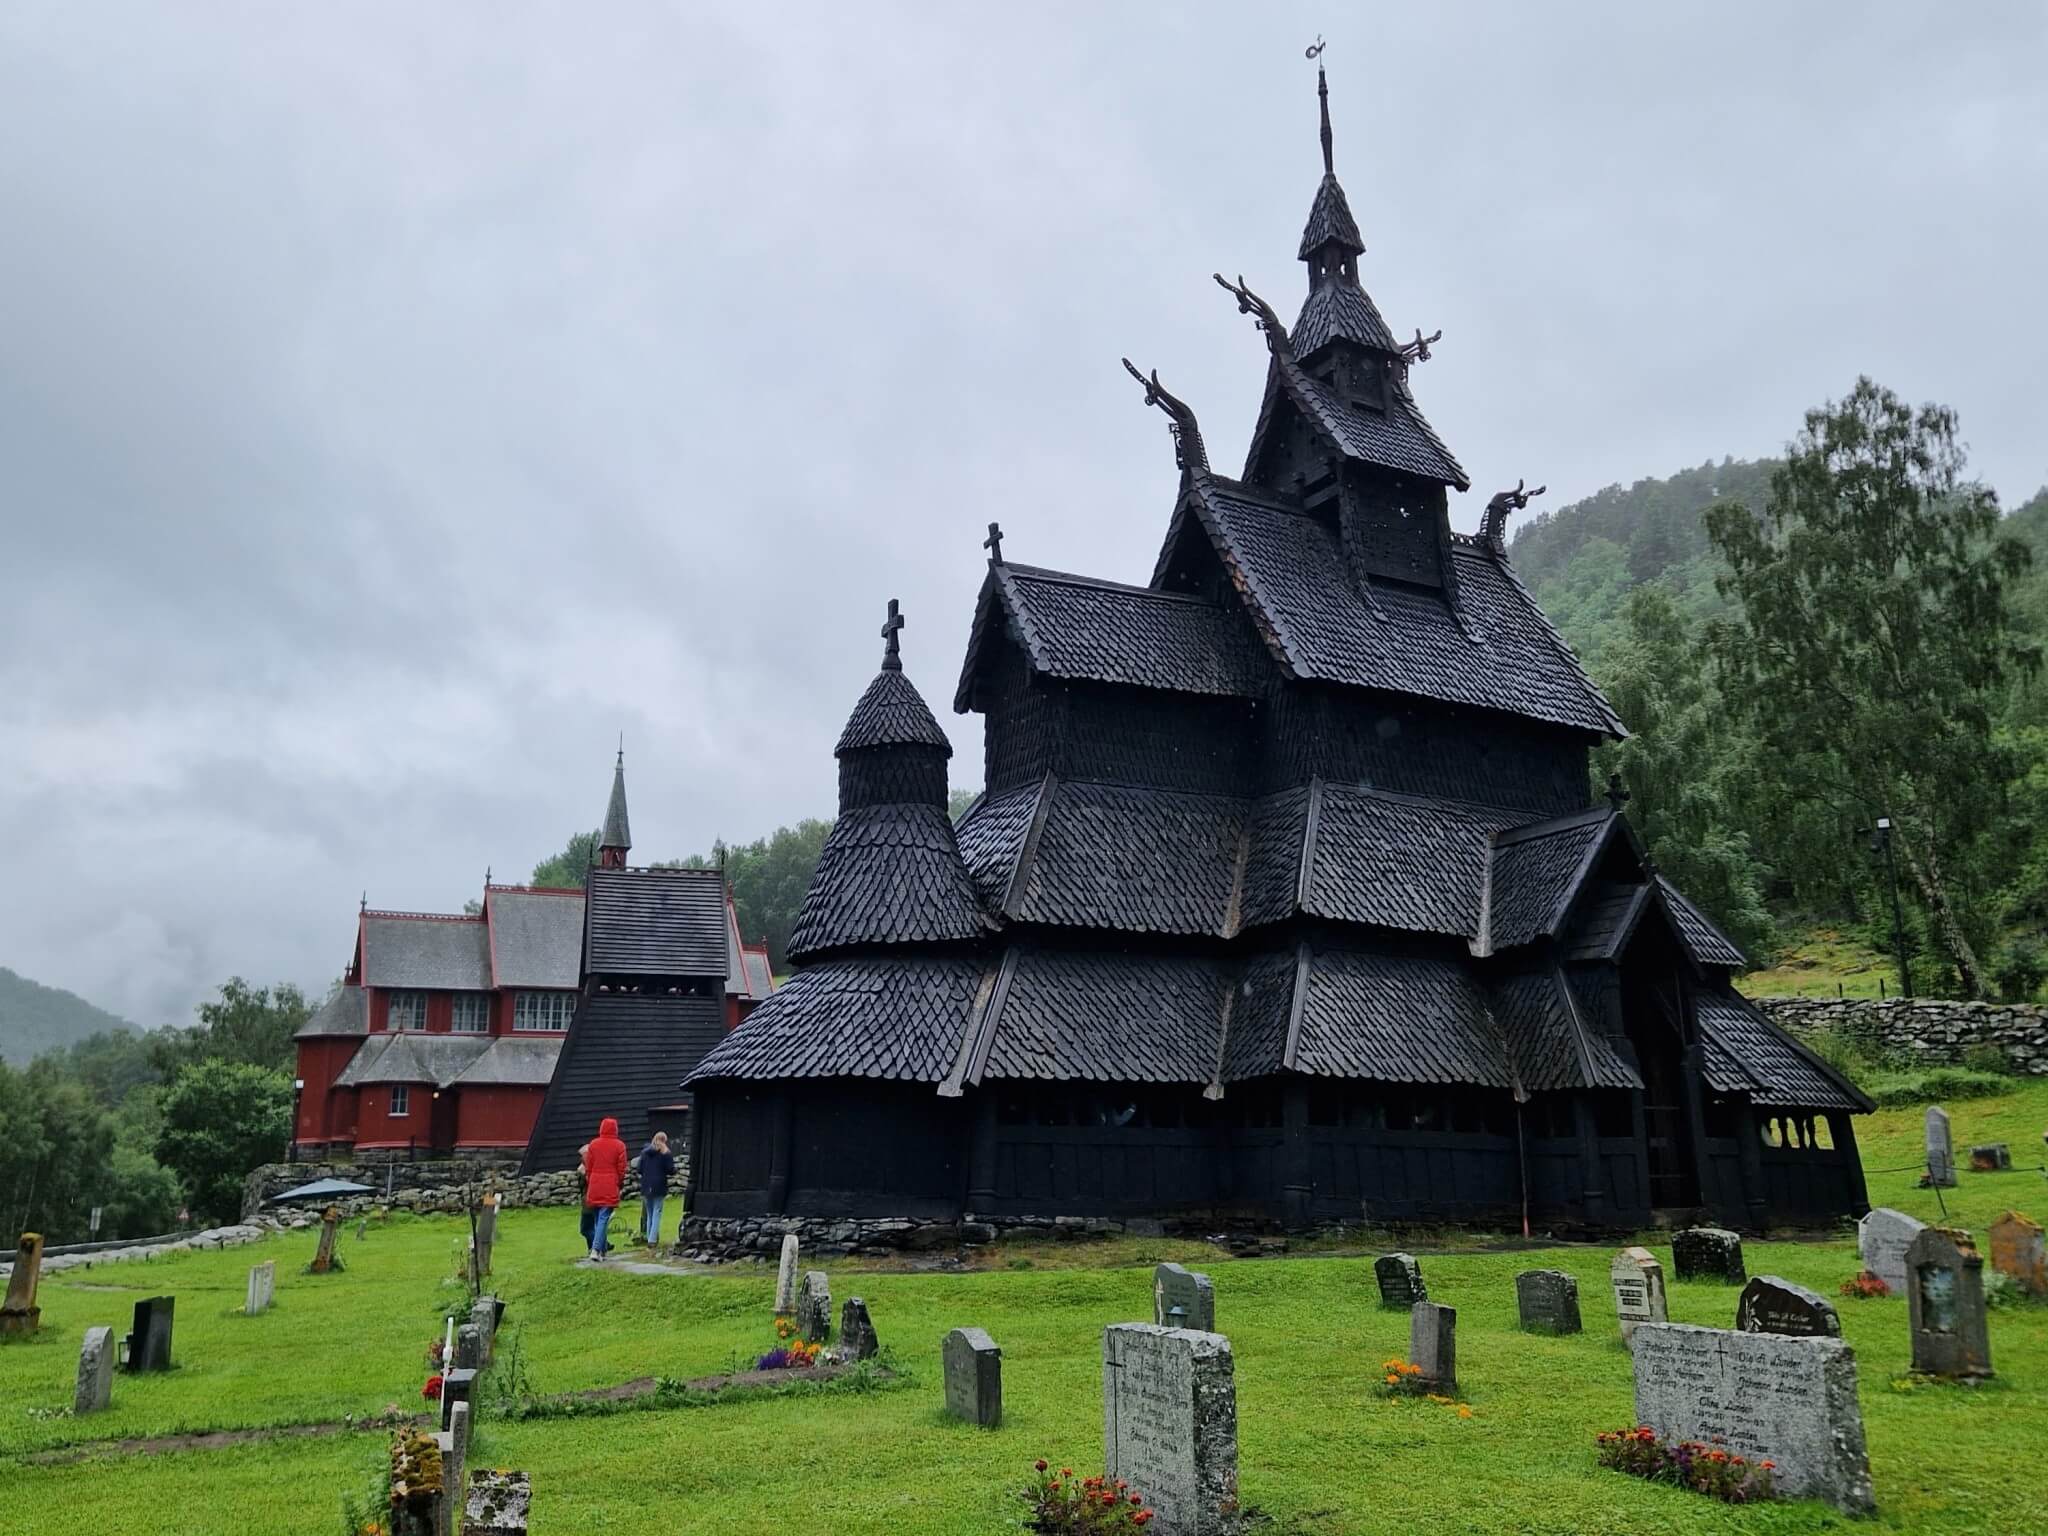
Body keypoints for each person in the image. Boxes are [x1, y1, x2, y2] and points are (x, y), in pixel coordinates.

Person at [581, 1116, 629, 1261]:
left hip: (594, 1184)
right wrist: (618, 1182)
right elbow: (622, 1168)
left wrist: (591, 1179)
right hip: (609, 1184)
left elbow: (588, 1166)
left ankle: (602, 1251)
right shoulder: (619, 1146)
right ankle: (595, 1250)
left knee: (598, 1219)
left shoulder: (593, 1145)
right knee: (603, 1218)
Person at [636, 1131, 676, 1248]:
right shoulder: (665, 1154)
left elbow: (639, 1169)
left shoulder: (644, 1152)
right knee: (657, 1212)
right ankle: (652, 1240)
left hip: (646, 1185)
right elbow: (671, 1170)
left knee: (649, 1213)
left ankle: (649, 1237)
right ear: (664, 1141)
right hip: (659, 1185)